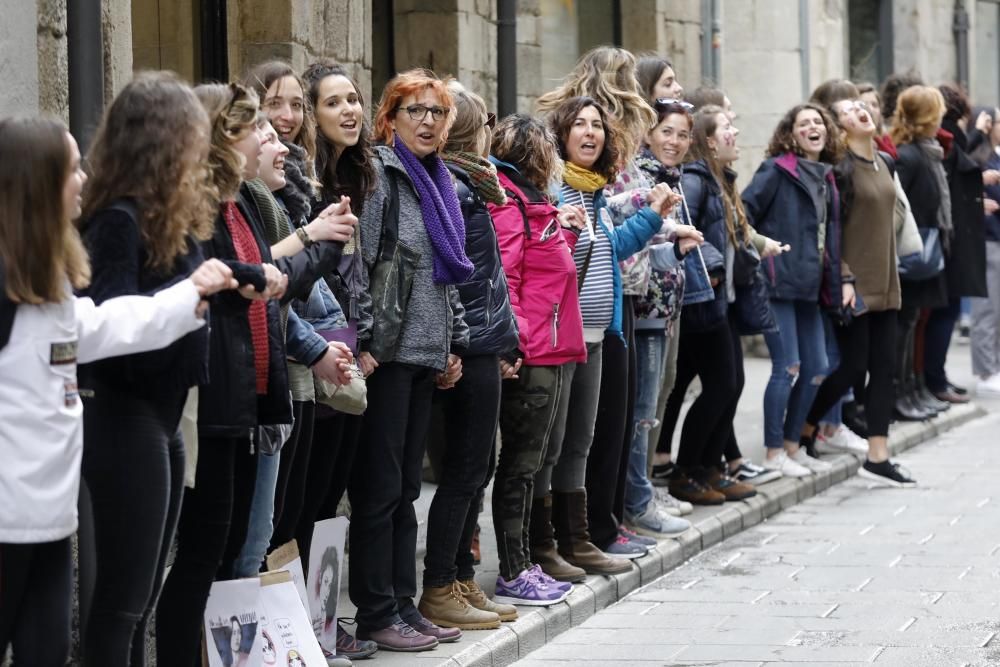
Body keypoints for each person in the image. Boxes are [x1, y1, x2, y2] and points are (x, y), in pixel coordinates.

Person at [0, 116, 236, 665]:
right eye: (71, 168)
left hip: (50, 518)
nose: (84, 177)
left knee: (48, 652)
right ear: (37, 181)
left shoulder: (49, 282)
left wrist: (187, 298)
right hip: (8, 520)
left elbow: (103, 327)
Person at [74, 71, 224, 667]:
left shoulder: (166, 216)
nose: (199, 147)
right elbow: (111, 325)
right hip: (126, 419)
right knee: (121, 604)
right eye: (192, 133)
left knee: (140, 600)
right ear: (163, 139)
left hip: (164, 420)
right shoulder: (118, 218)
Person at [155, 82, 294, 667]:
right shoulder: (198, 204)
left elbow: (254, 277)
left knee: (229, 543)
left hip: (244, 394)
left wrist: (269, 273)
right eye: (252, 127)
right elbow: (214, 281)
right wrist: (262, 272)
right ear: (221, 136)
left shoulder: (239, 201)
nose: (264, 135)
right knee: (201, 551)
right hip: (209, 397)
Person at [533, 94, 687, 574]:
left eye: (597, 125)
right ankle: (543, 546)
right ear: (562, 136)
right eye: (579, 124)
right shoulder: (554, 190)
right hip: (562, 337)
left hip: (600, 333)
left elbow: (612, 249)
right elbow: (550, 262)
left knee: (581, 441)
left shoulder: (593, 191)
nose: (590, 132)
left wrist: (654, 220)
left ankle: (577, 541)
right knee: (552, 446)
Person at [349, 68, 471, 652]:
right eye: (414, 111)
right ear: (390, 119)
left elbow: (443, 278)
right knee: (380, 490)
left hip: (425, 354)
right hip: (388, 358)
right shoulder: (380, 175)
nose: (427, 121)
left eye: (436, 113)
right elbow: (362, 265)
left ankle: (402, 604)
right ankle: (375, 610)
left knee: (404, 491)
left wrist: (451, 343)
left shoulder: (437, 179)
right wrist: (366, 342)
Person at [416, 81, 520, 631]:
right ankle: (439, 585)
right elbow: (460, 277)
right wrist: (462, 344)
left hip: (484, 339)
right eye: (484, 126)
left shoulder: (472, 184)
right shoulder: (454, 187)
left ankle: (458, 576)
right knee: (463, 469)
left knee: (477, 467)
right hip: (469, 341)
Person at [662, 105, 782, 505]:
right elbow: (687, 226)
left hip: (722, 302)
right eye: (728, 127)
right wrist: (713, 265)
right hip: (703, 301)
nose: (736, 133)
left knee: (731, 384)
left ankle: (708, 466)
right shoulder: (696, 180)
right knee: (720, 385)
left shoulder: (719, 179)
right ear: (710, 141)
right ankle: (686, 470)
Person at [487, 114, 584, 603]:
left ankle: (526, 561)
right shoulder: (510, 205)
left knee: (541, 456)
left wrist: (561, 233)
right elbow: (507, 281)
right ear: (537, 155)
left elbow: (544, 271)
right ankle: (513, 567)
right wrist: (519, 344)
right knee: (522, 462)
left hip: (553, 347)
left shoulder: (536, 204)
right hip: (534, 353)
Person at [801, 81, 915, 487]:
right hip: (855, 282)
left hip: (887, 278)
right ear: (840, 127)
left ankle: (878, 455)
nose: (857, 112)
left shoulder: (886, 161)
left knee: (883, 369)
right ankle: (805, 428)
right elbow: (831, 230)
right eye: (846, 111)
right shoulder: (841, 170)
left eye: (859, 107)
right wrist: (845, 277)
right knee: (852, 367)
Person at [742, 102, 843, 479]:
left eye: (818, 121)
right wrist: (765, 249)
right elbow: (743, 213)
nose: (813, 127)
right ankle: (773, 452)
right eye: (804, 123)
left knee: (818, 366)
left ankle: (791, 447)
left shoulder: (826, 176)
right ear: (791, 133)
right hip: (778, 282)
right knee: (787, 368)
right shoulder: (776, 170)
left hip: (811, 287)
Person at [624, 97, 704, 534]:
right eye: (666, 131)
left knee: (653, 404)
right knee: (642, 409)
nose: (674, 141)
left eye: (682, 134)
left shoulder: (672, 176)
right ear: (648, 134)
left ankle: (642, 493)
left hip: (666, 307)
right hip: (645, 307)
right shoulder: (645, 178)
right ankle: (637, 499)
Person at [971, 106, 1000, 395]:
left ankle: (995, 366)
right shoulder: (980, 157)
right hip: (986, 238)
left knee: (998, 307)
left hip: (996, 236)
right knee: (987, 307)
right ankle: (986, 370)